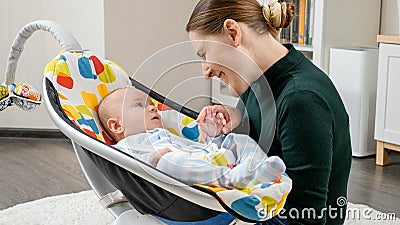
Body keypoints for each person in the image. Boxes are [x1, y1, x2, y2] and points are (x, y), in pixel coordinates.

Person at [187, 0, 352, 224]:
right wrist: (235, 120)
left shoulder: (301, 100)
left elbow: (305, 218)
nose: (205, 71)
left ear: (233, 33)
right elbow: (261, 144)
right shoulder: (259, 81)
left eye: (204, 53)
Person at [97, 87, 287, 188]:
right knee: (167, 161)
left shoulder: (167, 133)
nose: (153, 107)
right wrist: (152, 159)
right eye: (140, 105)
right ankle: (234, 178)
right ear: (116, 125)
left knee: (238, 141)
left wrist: (212, 139)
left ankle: (257, 168)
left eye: (151, 103)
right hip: (185, 173)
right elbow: (125, 166)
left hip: (208, 160)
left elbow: (193, 147)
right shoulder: (127, 145)